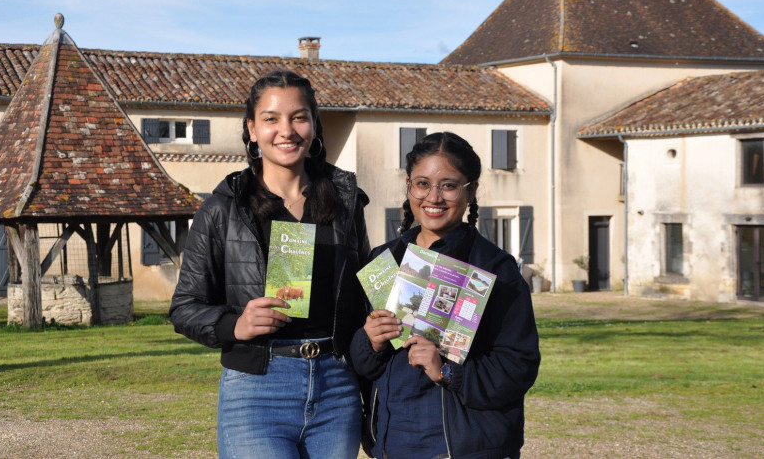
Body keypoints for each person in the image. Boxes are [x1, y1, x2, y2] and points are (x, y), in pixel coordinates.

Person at [169, 70, 371, 459]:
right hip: (256, 387)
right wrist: (235, 324)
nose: (286, 131)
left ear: (314, 124)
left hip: (336, 388)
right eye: (271, 118)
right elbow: (184, 307)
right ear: (252, 128)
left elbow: (364, 296)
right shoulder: (222, 208)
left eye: (299, 117)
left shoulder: (346, 202)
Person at [350, 132, 540, 459]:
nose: (434, 197)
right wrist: (370, 341)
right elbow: (359, 363)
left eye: (449, 185)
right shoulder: (383, 260)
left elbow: (518, 366)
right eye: (423, 184)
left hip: (464, 448)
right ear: (409, 186)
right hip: (391, 444)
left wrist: (447, 372)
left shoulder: (495, 269)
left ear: (471, 191)